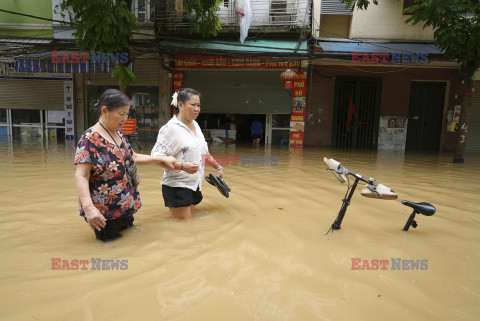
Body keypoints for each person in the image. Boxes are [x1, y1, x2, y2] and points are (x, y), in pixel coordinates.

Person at [74, 89, 178, 241]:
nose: (125, 119)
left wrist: (160, 159)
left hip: (126, 204)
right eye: (121, 114)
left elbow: (133, 157)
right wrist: (89, 208)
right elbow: (81, 175)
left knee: (129, 241)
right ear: (104, 111)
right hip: (104, 212)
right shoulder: (89, 139)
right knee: (109, 246)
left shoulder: (119, 134)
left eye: (127, 114)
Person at [151, 88, 225, 220]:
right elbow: (156, 158)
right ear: (180, 105)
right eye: (193, 105)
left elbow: (204, 153)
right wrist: (181, 166)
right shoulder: (170, 129)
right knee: (184, 229)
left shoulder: (195, 125)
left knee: (190, 227)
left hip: (195, 185)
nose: (197, 109)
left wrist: (218, 167)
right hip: (177, 186)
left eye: (198, 105)